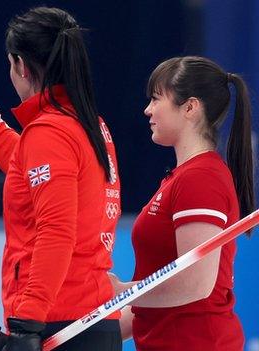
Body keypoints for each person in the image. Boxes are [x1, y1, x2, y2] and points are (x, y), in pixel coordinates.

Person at [0, 6, 122, 351]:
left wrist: (27, 322)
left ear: (20, 66)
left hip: (58, 326)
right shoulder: (83, 124)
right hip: (88, 321)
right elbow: (21, 162)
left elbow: (56, 231)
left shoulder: (50, 132)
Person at [108, 56, 253, 350]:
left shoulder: (201, 178)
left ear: (190, 107)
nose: (147, 110)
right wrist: (88, 336)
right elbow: (153, 310)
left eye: (156, 98)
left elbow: (194, 285)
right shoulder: (182, 177)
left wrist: (121, 292)